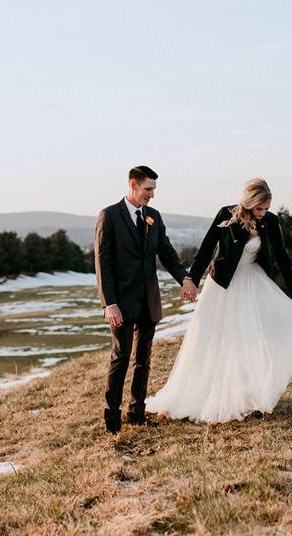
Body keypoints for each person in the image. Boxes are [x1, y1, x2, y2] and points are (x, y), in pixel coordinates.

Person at [146, 178, 292, 423]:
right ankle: (203, 394)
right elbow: (206, 247)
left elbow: (283, 259)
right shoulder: (226, 215)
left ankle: (250, 395)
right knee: (215, 338)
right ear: (248, 203)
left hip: (254, 283)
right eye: (259, 209)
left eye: (266, 209)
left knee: (253, 338)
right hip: (222, 285)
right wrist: (191, 279)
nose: (263, 213)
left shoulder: (271, 222)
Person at [94, 165, 198, 434]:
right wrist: (109, 303)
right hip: (121, 302)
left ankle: (137, 412)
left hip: (148, 299)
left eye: (153, 190)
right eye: (147, 189)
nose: (151, 195)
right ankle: (112, 418)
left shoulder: (153, 216)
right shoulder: (110, 216)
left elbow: (166, 252)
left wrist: (185, 279)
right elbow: (102, 263)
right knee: (121, 356)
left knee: (144, 358)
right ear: (132, 185)